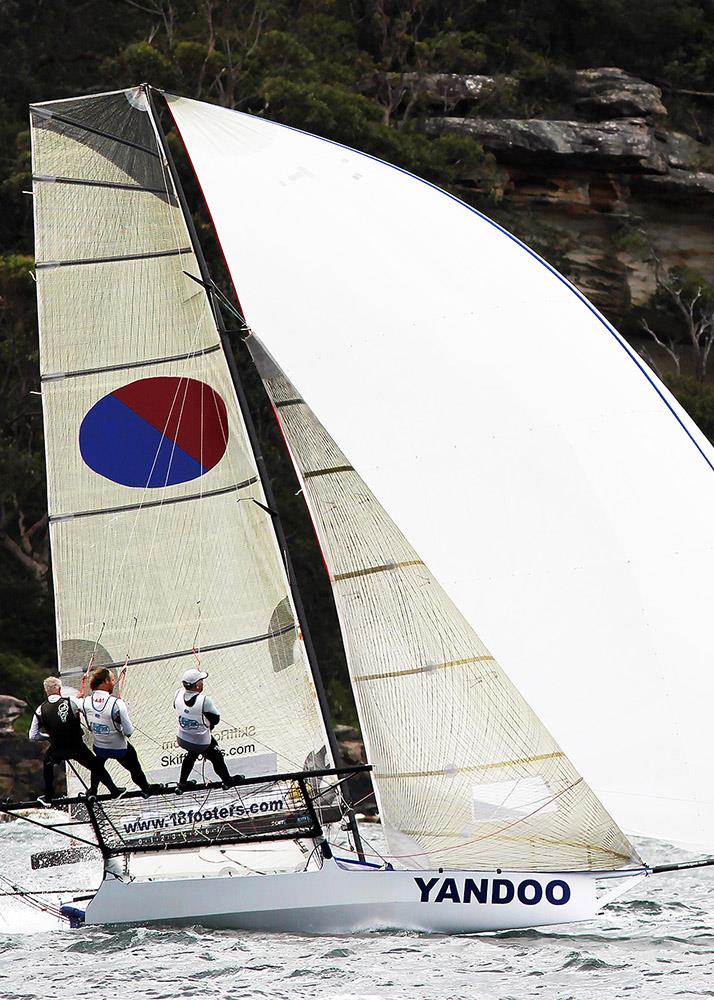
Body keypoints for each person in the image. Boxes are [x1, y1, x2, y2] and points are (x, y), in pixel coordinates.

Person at [29, 676, 124, 802]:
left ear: (46, 691)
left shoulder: (40, 709)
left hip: (57, 748)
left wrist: (48, 737)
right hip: (77, 747)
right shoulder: (72, 701)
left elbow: (33, 736)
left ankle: (48, 797)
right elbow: (89, 708)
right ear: (60, 689)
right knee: (96, 766)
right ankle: (114, 791)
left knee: (47, 764)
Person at [81, 667, 151, 793]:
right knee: (134, 767)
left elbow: (72, 704)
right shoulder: (117, 704)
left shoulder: (84, 702)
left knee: (97, 764)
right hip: (119, 749)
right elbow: (129, 732)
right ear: (106, 681)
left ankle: (93, 791)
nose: (114, 682)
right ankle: (145, 788)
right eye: (113, 680)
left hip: (100, 748)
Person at [174, 668, 239, 789]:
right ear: (197, 685)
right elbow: (216, 719)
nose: (203, 683)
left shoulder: (177, 694)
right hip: (201, 742)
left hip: (182, 739)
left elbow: (178, 708)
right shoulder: (204, 701)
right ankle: (228, 781)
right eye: (201, 681)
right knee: (217, 757)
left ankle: (182, 783)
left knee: (192, 754)